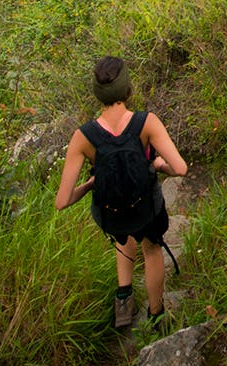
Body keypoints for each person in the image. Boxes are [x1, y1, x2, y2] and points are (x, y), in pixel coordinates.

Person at [56, 56, 188, 329]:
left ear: (97, 92)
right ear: (127, 88)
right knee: (151, 249)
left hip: (111, 214)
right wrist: (158, 165)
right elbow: (180, 168)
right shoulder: (146, 122)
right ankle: (156, 314)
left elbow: (62, 201)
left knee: (122, 235)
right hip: (145, 208)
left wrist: (91, 184)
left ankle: (124, 298)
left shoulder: (83, 136)